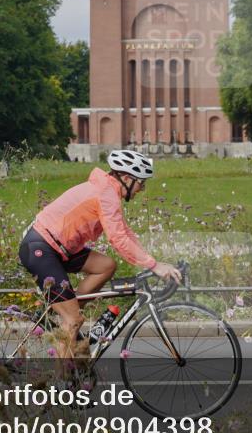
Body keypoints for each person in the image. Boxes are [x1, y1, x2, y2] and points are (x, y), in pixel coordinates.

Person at [18, 150, 182, 360]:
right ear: (126, 178)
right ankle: (62, 385)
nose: (142, 188)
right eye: (141, 182)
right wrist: (154, 266)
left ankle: (70, 312)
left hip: (60, 248)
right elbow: (118, 239)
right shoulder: (106, 195)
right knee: (73, 320)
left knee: (106, 265)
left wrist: (153, 261)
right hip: (41, 248)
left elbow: (125, 233)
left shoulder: (108, 191)